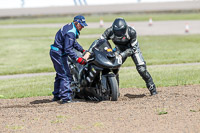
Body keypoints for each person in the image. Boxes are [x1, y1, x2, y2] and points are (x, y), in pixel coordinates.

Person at [100, 18, 157, 95]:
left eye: (121, 31)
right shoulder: (109, 31)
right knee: (113, 68)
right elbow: (101, 41)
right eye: (117, 31)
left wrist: (122, 55)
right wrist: (108, 50)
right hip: (119, 49)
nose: (119, 33)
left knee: (142, 69)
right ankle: (115, 91)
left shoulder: (131, 32)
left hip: (133, 49)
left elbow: (133, 48)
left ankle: (152, 88)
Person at [50, 15, 90, 104]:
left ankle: (57, 95)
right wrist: (77, 58)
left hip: (56, 52)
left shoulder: (70, 27)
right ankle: (66, 98)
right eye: (82, 25)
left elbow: (73, 43)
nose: (83, 27)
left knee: (60, 74)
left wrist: (82, 50)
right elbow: (68, 49)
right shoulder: (71, 32)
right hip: (59, 54)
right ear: (77, 23)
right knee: (65, 75)